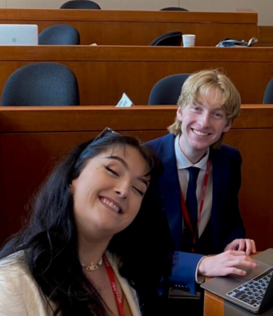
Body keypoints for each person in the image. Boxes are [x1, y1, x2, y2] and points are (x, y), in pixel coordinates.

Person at [0, 130, 172, 316]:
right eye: (112, 171)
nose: (124, 191)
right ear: (73, 176)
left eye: (138, 189)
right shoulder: (10, 283)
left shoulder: (122, 268)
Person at [146, 69, 256, 312]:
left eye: (217, 114)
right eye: (196, 108)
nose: (204, 122)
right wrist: (201, 264)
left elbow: (230, 217)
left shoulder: (229, 160)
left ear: (227, 124)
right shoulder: (145, 162)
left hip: (209, 287)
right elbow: (139, 251)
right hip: (155, 291)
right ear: (179, 111)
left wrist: (234, 241)